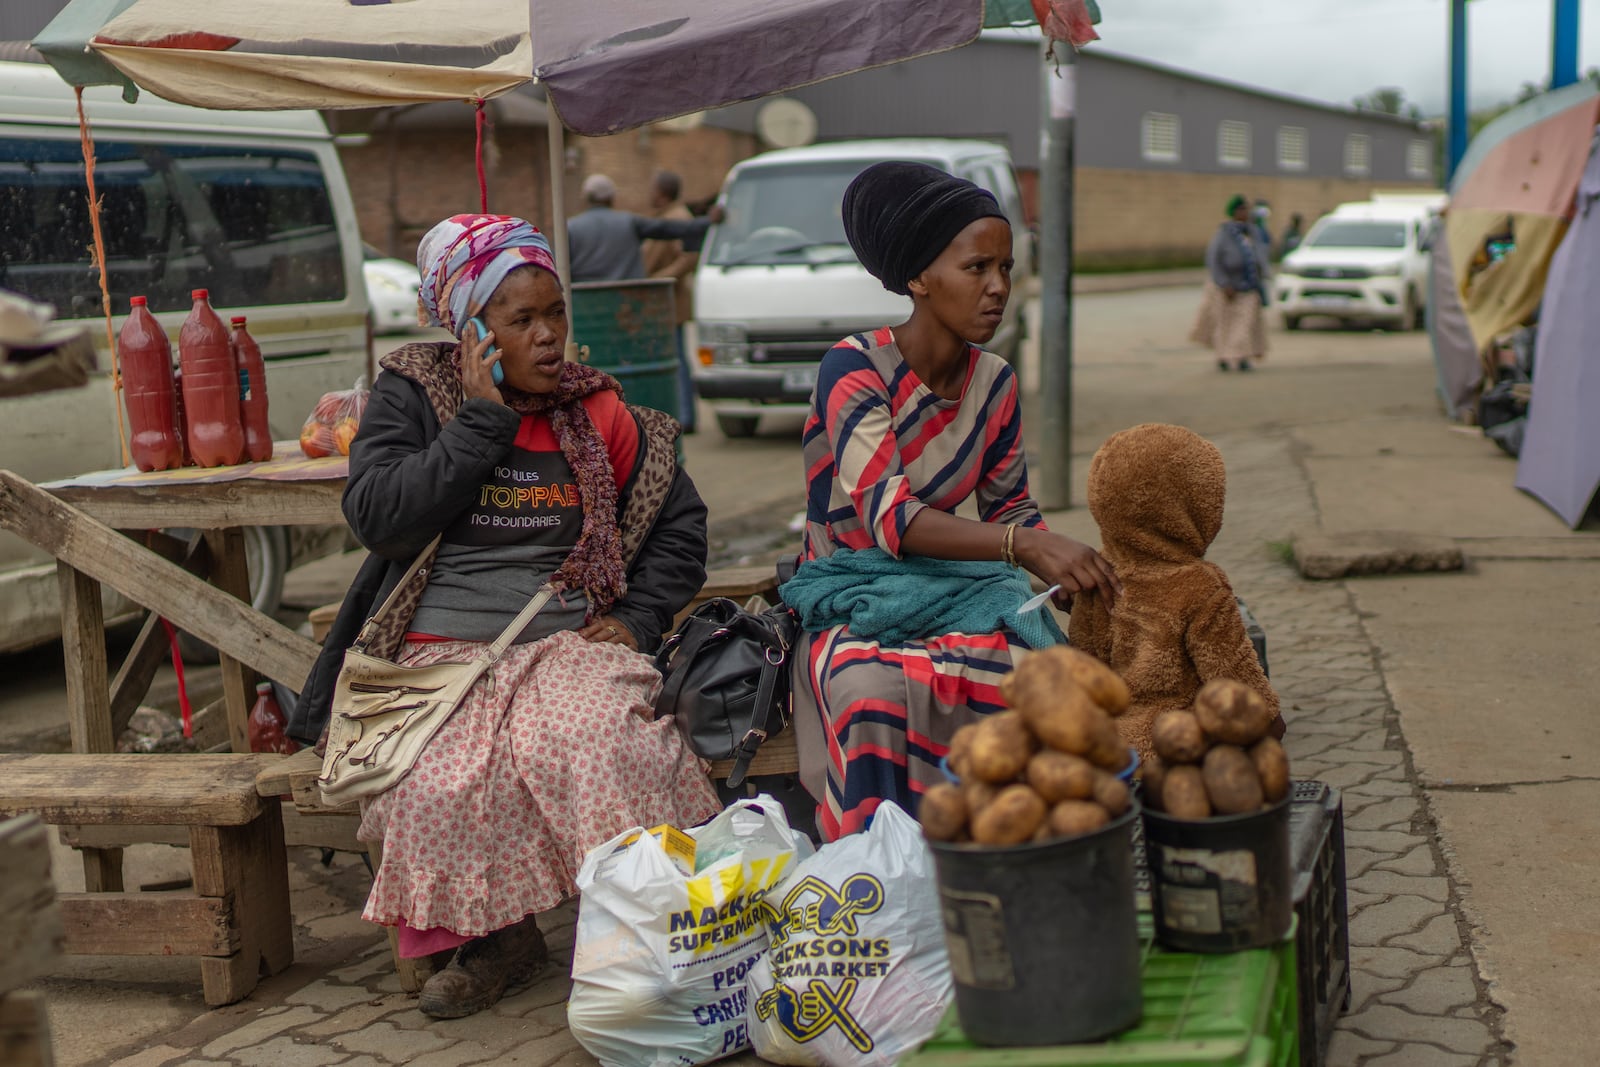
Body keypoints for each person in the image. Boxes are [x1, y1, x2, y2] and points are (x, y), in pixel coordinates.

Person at [292, 214, 721, 1019]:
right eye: (522, 320)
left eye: (555, 312)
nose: (550, 335)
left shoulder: (598, 413)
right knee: (434, 784)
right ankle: (499, 942)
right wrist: (482, 422)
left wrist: (634, 620)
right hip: (436, 655)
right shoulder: (414, 393)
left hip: (563, 640)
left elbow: (677, 525)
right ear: (472, 330)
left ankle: (642, 938)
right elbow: (379, 516)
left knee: (598, 740)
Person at [787, 162, 1122, 841]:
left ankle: (1001, 865)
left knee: (1035, 685)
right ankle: (875, 877)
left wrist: (1057, 569)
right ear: (918, 278)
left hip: (953, 592)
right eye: (977, 268)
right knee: (867, 692)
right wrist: (1025, 547)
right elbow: (892, 521)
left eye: (1005, 267)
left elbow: (1011, 513)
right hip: (852, 598)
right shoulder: (853, 368)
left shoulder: (994, 383)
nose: (999, 287)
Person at [567, 173, 715, 282]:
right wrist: (708, 221)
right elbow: (669, 229)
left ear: (586, 198)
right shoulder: (629, 221)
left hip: (584, 304)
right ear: (612, 198)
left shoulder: (570, 228)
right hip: (628, 303)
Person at [641, 170, 700, 433]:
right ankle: (681, 414)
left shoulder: (678, 219)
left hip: (670, 301)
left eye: (653, 188)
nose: (649, 193)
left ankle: (685, 417)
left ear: (662, 192)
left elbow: (688, 258)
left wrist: (659, 279)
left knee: (676, 360)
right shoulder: (667, 217)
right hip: (664, 303)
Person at [1195, 194, 1269, 372]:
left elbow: (1260, 256)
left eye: (1246, 209)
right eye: (1241, 209)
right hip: (1228, 288)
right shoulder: (1223, 233)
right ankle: (1223, 356)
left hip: (1248, 287)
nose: (1245, 213)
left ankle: (1242, 357)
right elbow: (1213, 260)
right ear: (1234, 212)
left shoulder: (1253, 232)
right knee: (1226, 325)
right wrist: (1224, 283)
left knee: (1244, 325)